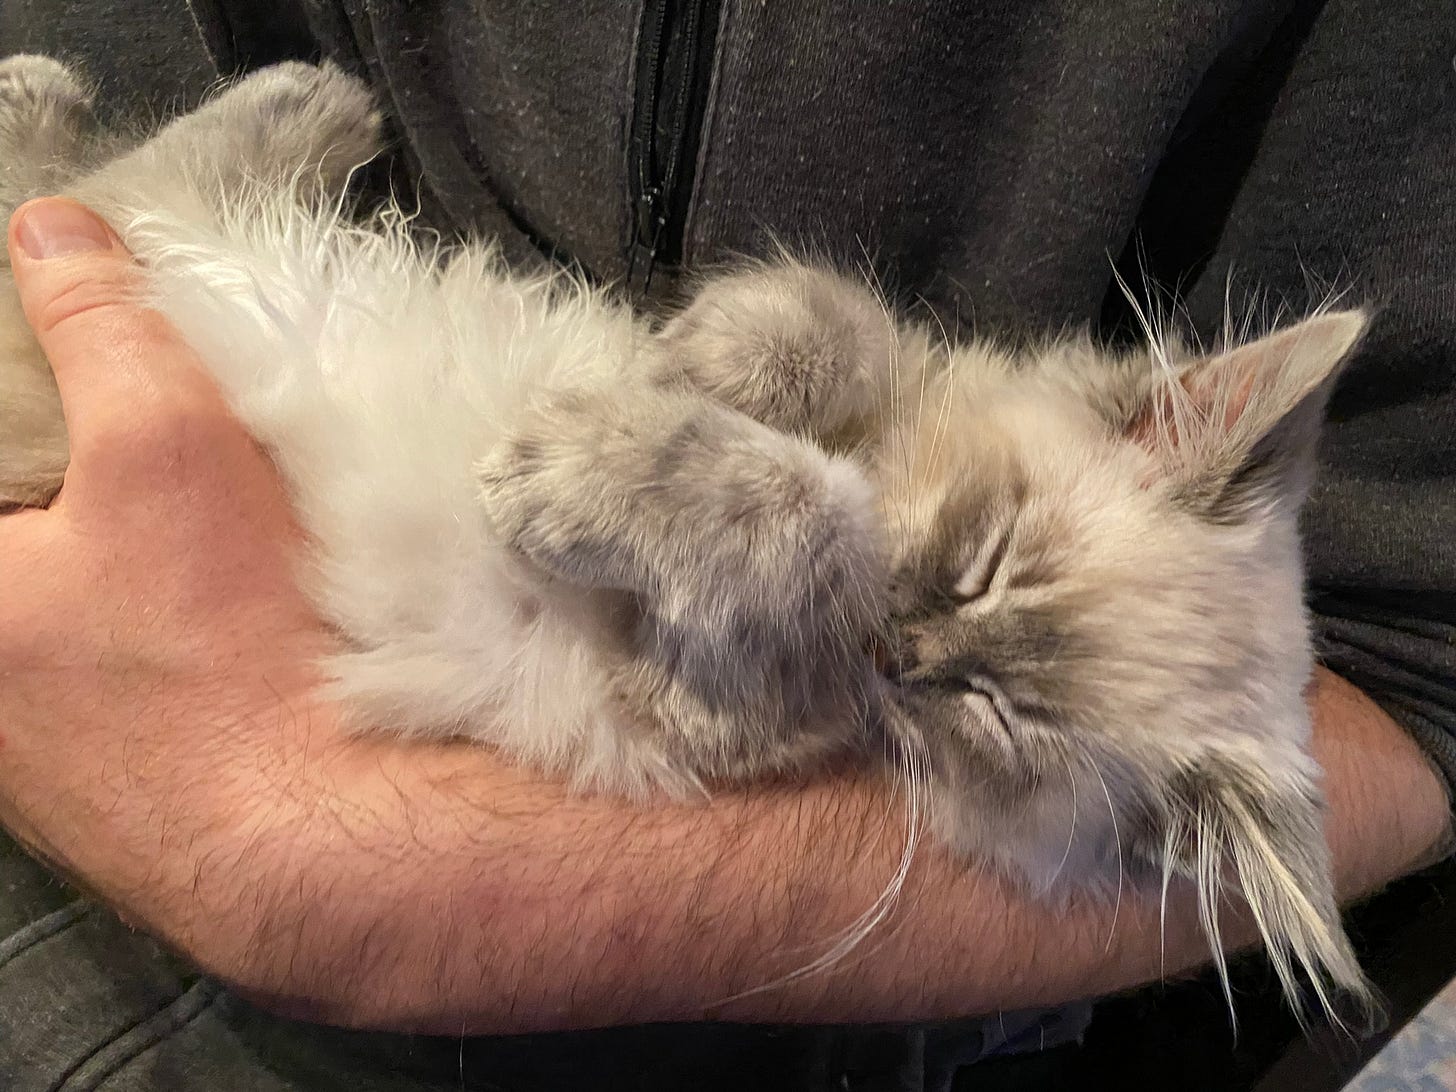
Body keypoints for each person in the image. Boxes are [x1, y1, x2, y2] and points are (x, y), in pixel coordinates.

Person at [0, 2, 1452, 1090]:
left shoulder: (973, 707)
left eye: (1002, 722)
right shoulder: (1019, 429)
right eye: (981, 556)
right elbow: (837, 381)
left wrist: (785, 528)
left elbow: (1421, 672)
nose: (914, 649)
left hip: (339, 755)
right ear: (1147, 417)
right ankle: (87, 207)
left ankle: (68, 210)